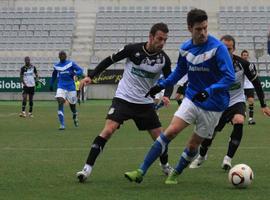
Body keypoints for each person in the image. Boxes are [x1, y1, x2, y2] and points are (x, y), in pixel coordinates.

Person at [124, 8, 235, 185]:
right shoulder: (185, 48)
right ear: (190, 28)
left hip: (214, 105)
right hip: (192, 98)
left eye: (205, 28)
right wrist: (161, 85)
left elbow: (229, 77)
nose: (203, 32)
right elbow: (178, 72)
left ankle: (176, 172)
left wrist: (210, 90)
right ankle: (140, 171)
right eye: (199, 29)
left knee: (192, 145)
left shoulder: (218, 48)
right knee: (170, 131)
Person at [76, 22, 174, 183]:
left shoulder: (164, 60)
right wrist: (91, 76)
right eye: (159, 39)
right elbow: (109, 60)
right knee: (108, 130)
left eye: (165, 40)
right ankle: (86, 169)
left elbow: (170, 81)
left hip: (145, 103)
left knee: (160, 138)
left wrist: (167, 95)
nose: (162, 43)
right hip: (124, 99)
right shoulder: (132, 49)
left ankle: (165, 166)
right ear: (150, 37)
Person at [189, 35, 270, 170]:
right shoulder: (210, 64)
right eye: (223, 48)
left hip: (236, 101)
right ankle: (202, 156)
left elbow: (256, 84)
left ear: (234, 49)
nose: (226, 51)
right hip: (218, 103)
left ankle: (228, 159)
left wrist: (263, 105)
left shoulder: (244, 65)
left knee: (239, 120)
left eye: (229, 49)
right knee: (210, 134)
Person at [49, 51, 83, 130]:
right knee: (60, 101)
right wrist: (51, 84)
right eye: (60, 55)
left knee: (72, 107)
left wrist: (75, 73)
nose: (62, 55)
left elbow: (80, 70)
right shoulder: (56, 66)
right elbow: (54, 75)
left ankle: (74, 115)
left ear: (66, 56)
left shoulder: (71, 63)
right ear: (59, 56)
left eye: (63, 54)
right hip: (61, 86)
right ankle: (62, 124)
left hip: (71, 88)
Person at [242, 50, 256, 125]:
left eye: (246, 55)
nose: (245, 56)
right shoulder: (239, 64)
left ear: (248, 56)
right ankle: (242, 115)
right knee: (242, 103)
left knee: (251, 102)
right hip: (241, 87)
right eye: (244, 55)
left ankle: (250, 119)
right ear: (242, 56)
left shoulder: (251, 65)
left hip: (250, 86)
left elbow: (255, 74)